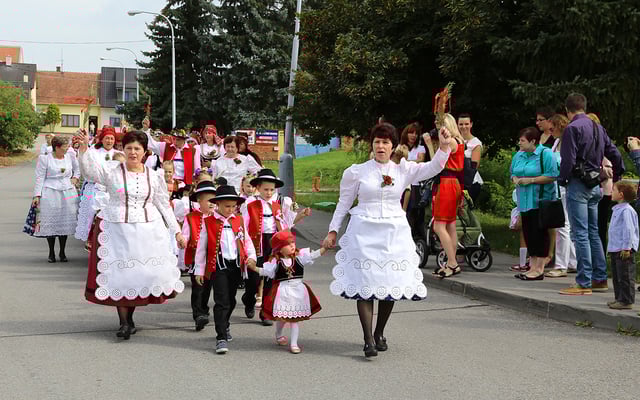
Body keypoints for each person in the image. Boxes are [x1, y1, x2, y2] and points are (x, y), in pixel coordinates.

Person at [322, 122, 452, 358]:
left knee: (389, 284)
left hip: (393, 234)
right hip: (364, 232)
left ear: (393, 146)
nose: (381, 146)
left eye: (385, 142)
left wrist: (443, 147)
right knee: (365, 284)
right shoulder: (357, 172)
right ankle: (368, 339)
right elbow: (344, 202)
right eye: (377, 142)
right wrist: (333, 230)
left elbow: (434, 167)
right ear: (372, 145)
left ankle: (379, 332)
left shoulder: (403, 170)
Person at [77, 129, 187, 340]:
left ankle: (130, 317)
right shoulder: (112, 171)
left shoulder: (154, 176)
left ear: (145, 152)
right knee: (120, 275)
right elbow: (90, 172)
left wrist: (177, 232)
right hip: (116, 229)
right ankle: (124, 322)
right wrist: (84, 149)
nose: (133, 152)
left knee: (139, 275)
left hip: (147, 230)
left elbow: (163, 205)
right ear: (123, 149)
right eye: (129, 148)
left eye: (137, 148)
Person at [558, 93, 624, 295]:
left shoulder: (572, 128)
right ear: (584, 107)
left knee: (580, 233)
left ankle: (583, 282)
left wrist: (562, 179)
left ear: (567, 110)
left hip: (578, 184)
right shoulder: (597, 127)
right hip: (595, 184)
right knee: (594, 232)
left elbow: (568, 160)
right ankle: (599, 278)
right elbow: (614, 153)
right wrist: (618, 174)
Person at [241, 169, 312, 326]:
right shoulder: (250, 203)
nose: (268, 193)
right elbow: (243, 226)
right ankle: (248, 299)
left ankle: (265, 313)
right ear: (258, 188)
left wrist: (301, 215)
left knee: (270, 277)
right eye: (265, 189)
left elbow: (286, 225)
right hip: (256, 243)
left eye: (271, 190)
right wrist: (244, 245)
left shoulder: (279, 204)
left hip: (273, 243)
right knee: (253, 278)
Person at [193, 185, 258, 354]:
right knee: (221, 301)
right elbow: (201, 248)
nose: (231, 209)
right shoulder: (208, 222)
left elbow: (247, 241)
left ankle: (225, 324)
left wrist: (251, 256)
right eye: (227, 206)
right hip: (218, 266)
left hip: (236, 266)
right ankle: (220, 337)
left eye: (233, 206)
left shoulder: (239, 220)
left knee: (231, 300)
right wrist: (199, 270)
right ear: (218, 204)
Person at [247, 230, 326, 354]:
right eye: (288, 244)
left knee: (294, 320)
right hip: (283, 292)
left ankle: (294, 343)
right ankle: (278, 334)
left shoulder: (300, 258)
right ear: (280, 249)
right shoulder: (276, 262)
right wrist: (253, 267)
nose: (292, 246)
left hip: (298, 291)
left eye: (293, 242)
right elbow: (266, 272)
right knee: (282, 317)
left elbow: (312, 255)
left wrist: (324, 248)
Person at [510, 127, 559, 281]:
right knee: (528, 232)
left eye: (522, 140)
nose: (519, 143)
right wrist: (515, 179)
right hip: (524, 201)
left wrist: (531, 180)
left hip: (540, 200)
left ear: (533, 141)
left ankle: (539, 268)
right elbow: (513, 172)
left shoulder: (545, 154)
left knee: (540, 233)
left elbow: (553, 175)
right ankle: (532, 266)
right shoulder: (519, 155)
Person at [32, 135, 80, 263]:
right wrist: (37, 195)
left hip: (67, 191)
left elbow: (77, 169)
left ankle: (62, 252)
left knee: (64, 221)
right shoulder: (45, 159)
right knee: (51, 222)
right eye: (65, 146)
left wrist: (75, 178)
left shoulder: (70, 156)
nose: (68, 148)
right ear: (57, 147)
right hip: (50, 191)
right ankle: (51, 252)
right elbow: (40, 177)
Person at [431, 113, 465, 278]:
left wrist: (430, 144)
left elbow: (436, 162)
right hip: (454, 182)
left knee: (439, 226)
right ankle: (451, 261)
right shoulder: (459, 141)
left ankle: (452, 262)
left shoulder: (450, 141)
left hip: (446, 182)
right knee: (450, 224)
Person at [544, 114, 577, 277]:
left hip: (564, 185)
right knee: (566, 225)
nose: (550, 132)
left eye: (552, 128)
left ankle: (561, 265)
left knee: (563, 225)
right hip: (556, 186)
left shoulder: (568, 142)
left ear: (560, 126)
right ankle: (572, 261)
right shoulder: (556, 142)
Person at [182, 180, 217, 331]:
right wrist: (182, 241)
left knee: (207, 286)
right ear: (199, 201)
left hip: (212, 257)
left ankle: (203, 308)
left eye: (214, 200)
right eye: (208, 200)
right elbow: (185, 234)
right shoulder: (191, 217)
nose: (212, 204)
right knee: (198, 286)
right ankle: (199, 315)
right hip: (196, 257)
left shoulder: (217, 217)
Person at [75, 126, 118, 244]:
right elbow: (85, 164)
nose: (109, 141)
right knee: (92, 216)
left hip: (112, 191)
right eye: (107, 138)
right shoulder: (93, 151)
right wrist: (84, 145)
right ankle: (92, 242)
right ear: (102, 139)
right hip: (94, 188)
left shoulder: (119, 154)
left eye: (112, 138)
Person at [606, 181, 638, 310]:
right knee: (617, 276)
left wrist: (627, 247)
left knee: (625, 276)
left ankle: (626, 300)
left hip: (624, 249)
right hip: (616, 248)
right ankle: (619, 298)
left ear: (621, 194)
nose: (611, 192)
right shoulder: (618, 209)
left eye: (613, 190)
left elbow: (628, 230)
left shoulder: (626, 211)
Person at [458, 113, 484, 203]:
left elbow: (474, 167)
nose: (463, 127)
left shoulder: (476, 143)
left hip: (470, 182)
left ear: (471, 124)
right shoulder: (455, 140)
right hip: (455, 180)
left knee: (464, 209)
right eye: (461, 124)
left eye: (466, 124)